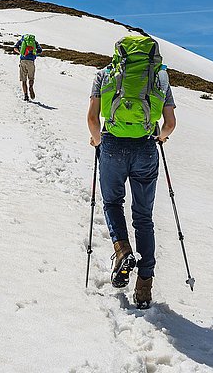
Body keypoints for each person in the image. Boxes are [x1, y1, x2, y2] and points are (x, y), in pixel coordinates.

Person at [87, 34, 176, 308]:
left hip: (112, 145)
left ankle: (122, 249)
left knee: (113, 202)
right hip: (146, 149)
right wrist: (160, 138)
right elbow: (170, 123)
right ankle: (144, 286)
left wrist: (98, 140)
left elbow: (92, 119)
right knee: (143, 216)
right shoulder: (160, 78)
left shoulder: (104, 74)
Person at [14, 34, 43, 101]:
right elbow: (40, 50)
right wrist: (33, 52)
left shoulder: (21, 40)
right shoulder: (34, 42)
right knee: (31, 78)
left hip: (23, 61)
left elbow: (15, 48)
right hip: (31, 62)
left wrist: (20, 52)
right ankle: (31, 87)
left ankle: (26, 95)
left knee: (23, 80)